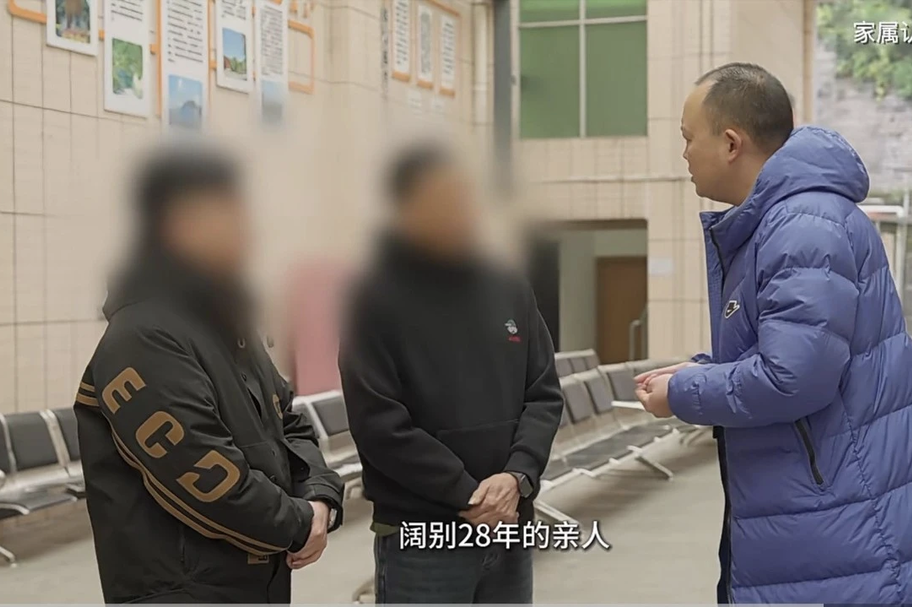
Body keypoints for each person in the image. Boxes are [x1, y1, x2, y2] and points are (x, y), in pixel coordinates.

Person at [635, 63, 912, 605]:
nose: (685, 154)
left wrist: (685, 392)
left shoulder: (800, 226)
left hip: (849, 522)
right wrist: (703, 372)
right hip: (839, 510)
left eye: (690, 138)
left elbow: (793, 378)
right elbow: (793, 353)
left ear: (731, 143)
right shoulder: (789, 219)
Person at [75, 146, 345, 603]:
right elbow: (203, 474)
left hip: (257, 576)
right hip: (183, 588)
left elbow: (289, 422)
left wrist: (319, 496)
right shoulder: (143, 336)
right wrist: (300, 523)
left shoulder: (229, 327)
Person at [338, 143, 564, 604]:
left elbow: (543, 393)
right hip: (423, 538)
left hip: (508, 526)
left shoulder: (508, 286)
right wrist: (468, 494)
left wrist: (518, 477)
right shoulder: (374, 300)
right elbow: (379, 423)